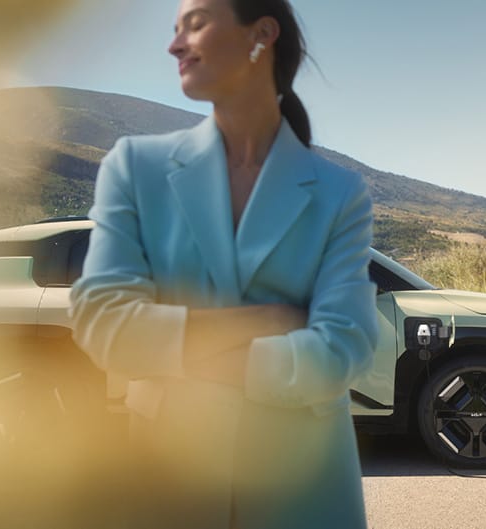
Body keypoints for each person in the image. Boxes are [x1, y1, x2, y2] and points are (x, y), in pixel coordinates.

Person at [69, 0, 378, 527]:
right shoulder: (134, 167)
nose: (174, 45)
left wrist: (175, 345)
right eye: (175, 28)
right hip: (170, 482)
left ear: (261, 34)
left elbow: (346, 345)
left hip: (305, 491)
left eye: (195, 24)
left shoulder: (340, 192)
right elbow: (103, 324)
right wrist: (266, 321)